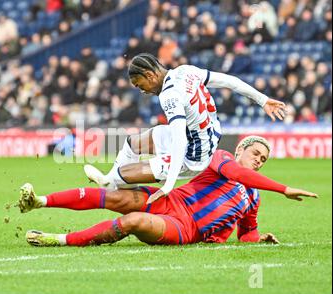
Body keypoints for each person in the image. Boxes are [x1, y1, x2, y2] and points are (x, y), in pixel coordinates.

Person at [17, 136, 318, 247]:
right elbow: (238, 174)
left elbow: (247, 232)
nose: (258, 161)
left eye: (263, 160)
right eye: (255, 154)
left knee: (134, 221)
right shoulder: (222, 158)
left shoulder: (253, 197)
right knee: (117, 197)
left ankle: (58, 239)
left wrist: (258, 239)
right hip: (169, 198)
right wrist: (284, 189)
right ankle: (39, 201)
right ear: (240, 149)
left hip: (185, 227)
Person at [84, 53, 287, 205]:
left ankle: (113, 182)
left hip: (193, 156)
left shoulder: (169, 96)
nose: (142, 91)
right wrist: (263, 100)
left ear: (149, 75)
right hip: (205, 135)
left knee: (123, 174)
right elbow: (229, 81)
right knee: (132, 143)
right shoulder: (185, 71)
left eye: (140, 85)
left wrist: (168, 185)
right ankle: (111, 180)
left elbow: (179, 138)